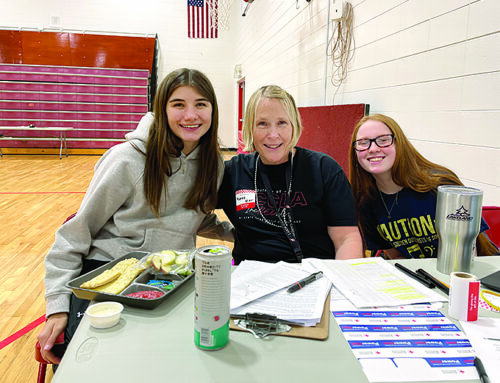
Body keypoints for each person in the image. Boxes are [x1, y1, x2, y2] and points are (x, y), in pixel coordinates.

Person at [37, 68, 233, 364]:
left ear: (213, 110)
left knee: (182, 358)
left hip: (171, 275)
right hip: (109, 269)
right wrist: (57, 306)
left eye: (201, 104)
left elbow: (193, 216)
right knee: (92, 362)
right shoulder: (126, 159)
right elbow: (74, 234)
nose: (190, 114)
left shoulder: (212, 163)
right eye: (178, 104)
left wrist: (237, 232)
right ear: (162, 108)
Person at [218, 85, 363, 264]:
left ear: (294, 126)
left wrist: (342, 284)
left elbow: (347, 238)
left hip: (313, 277)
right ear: (250, 129)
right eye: (262, 123)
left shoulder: (324, 169)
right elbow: (188, 208)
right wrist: (221, 230)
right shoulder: (233, 172)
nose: (273, 134)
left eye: (282, 123)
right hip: (251, 282)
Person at [349, 113, 498, 259]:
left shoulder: (440, 185)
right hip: (423, 278)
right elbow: (398, 257)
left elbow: (468, 253)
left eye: (383, 140)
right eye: (363, 142)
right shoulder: (365, 202)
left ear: (399, 143)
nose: (373, 148)